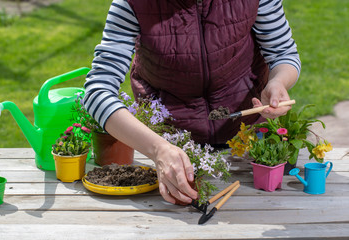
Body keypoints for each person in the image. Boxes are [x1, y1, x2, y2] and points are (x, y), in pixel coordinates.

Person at [84, 0, 301, 205]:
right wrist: (159, 149)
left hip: (248, 147)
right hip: (172, 155)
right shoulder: (132, 3)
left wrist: (278, 81)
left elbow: (283, 53)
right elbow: (97, 91)